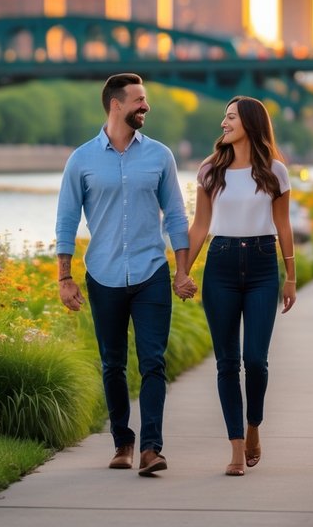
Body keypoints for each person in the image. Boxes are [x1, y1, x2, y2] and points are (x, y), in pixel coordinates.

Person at [55, 73, 191, 477]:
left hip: (151, 272)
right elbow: (66, 221)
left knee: (153, 362)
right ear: (116, 105)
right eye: (139, 100)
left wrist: (182, 271)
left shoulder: (160, 156)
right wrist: (65, 277)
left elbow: (178, 217)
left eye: (145, 99)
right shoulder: (81, 159)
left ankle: (151, 448)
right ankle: (122, 441)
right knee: (112, 364)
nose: (145, 106)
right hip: (104, 274)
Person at [175, 96, 296, 476]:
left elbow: (284, 226)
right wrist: (182, 270)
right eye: (224, 117)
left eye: (230, 118)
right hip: (221, 265)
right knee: (227, 363)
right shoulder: (210, 170)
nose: (223, 123)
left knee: (256, 361)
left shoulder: (275, 172)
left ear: (250, 123)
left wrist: (290, 276)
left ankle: (254, 426)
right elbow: (199, 225)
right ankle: (236, 449)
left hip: (263, 266)